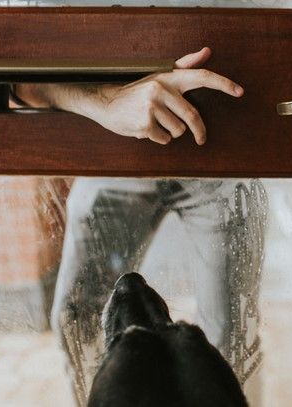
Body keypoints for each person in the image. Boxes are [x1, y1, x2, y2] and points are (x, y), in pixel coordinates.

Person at [16, 48, 266, 406]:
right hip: (113, 147)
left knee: (232, 338)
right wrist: (103, 100)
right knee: (76, 320)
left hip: (228, 148)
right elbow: (14, 79)